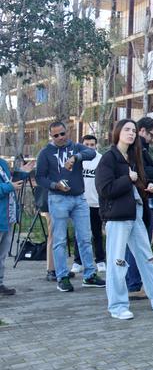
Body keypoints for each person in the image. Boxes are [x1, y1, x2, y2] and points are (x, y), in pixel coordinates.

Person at [95, 119, 153, 320]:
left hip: (135, 215)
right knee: (117, 262)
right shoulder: (109, 158)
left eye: (133, 130)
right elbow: (105, 189)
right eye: (127, 130)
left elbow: (138, 183)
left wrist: (147, 188)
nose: (131, 133)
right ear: (117, 132)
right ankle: (117, 306)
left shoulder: (134, 158)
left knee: (147, 259)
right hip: (117, 218)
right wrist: (128, 179)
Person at [35, 121, 105, 292]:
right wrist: (54, 185)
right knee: (59, 240)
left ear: (68, 132)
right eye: (55, 135)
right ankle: (62, 277)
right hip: (58, 198)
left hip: (79, 199)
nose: (60, 138)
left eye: (62, 134)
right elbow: (40, 177)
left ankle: (89, 275)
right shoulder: (45, 153)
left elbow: (91, 152)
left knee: (85, 237)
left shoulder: (76, 147)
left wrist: (75, 157)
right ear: (51, 136)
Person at [125, 117, 153, 296]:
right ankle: (134, 284)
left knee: (137, 243)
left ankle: (133, 282)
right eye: (151, 135)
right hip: (143, 198)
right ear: (142, 130)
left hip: (143, 198)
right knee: (140, 243)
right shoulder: (138, 148)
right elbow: (143, 171)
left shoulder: (140, 148)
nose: (152, 139)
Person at [0, 158, 35, 296]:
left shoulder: (2, 163)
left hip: (7, 217)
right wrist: (10, 187)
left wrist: (23, 173)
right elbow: (9, 186)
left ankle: (0, 284)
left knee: (2, 256)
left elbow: (11, 181)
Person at [72, 135, 106, 275]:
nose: (90, 147)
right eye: (87, 144)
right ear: (82, 144)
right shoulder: (77, 158)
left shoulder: (101, 159)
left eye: (92, 144)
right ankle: (78, 262)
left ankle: (100, 261)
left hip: (96, 203)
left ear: (96, 145)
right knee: (79, 234)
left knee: (97, 233)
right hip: (81, 202)